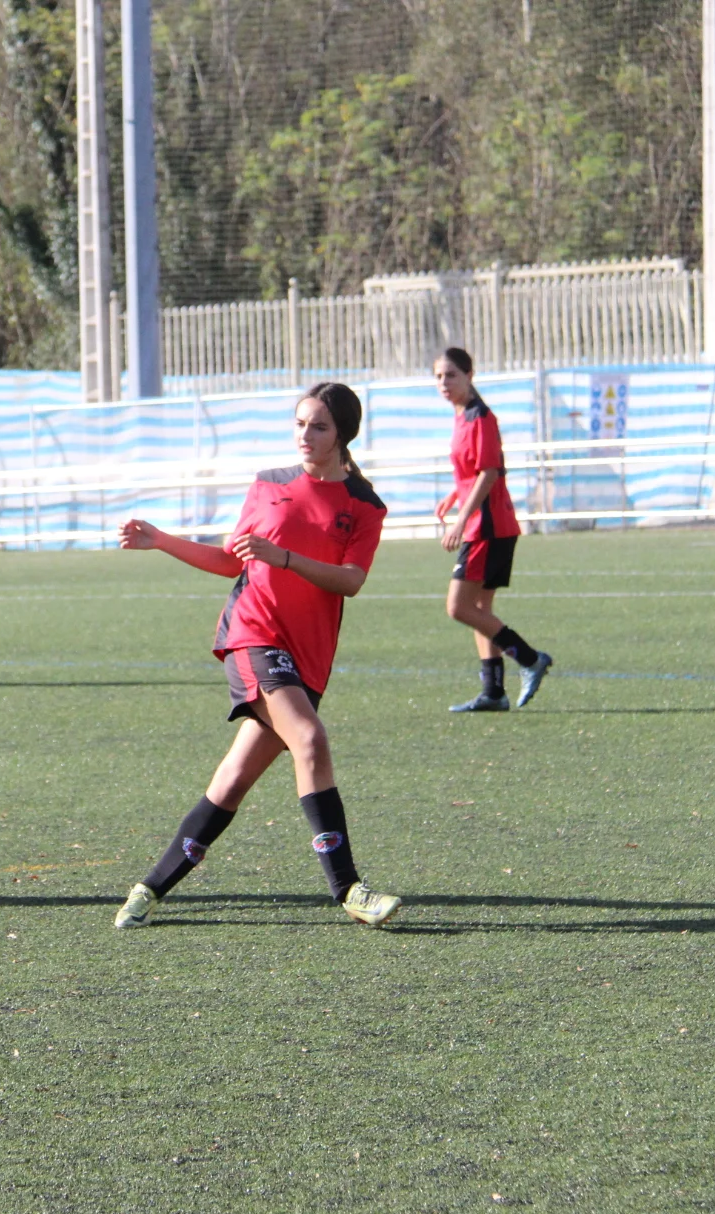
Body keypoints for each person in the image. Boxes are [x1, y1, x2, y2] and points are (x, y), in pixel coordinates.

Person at [112, 383, 401, 930]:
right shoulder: (269, 484)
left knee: (233, 780)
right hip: (253, 635)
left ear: (343, 433)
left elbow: (351, 580)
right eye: (300, 423)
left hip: (308, 655)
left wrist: (285, 557)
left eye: (318, 426)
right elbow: (231, 561)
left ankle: (149, 889)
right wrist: (164, 540)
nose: (305, 435)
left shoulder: (365, 505)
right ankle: (350, 890)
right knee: (310, 739)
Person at [433, 347, 551, 712]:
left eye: (451, 375)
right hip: (487, 526)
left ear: (470, 375)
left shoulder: (481, 417)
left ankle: (530, 658)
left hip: (487, 527)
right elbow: (474, 471)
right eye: (438, 377)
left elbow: (489, 473)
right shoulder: (462, 416)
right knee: (480, 608)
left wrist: (461, 520)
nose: (444, 383)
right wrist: (455, 495)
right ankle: (494, 692)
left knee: (458, 607)